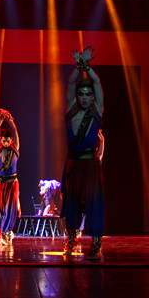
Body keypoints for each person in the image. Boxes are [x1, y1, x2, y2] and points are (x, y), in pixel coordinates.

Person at [62, 46, 105, 260]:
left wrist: (86, 66)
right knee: (71, 202)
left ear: (93, 98)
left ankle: (96, 243)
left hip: (90, 164)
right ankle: (71, 238)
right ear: (77, 96)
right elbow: (71, 83)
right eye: (81, 94)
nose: (85, 98)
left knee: (94, 202)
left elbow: (97, 82)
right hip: (73, 164)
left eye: (88, 95)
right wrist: (77, 67)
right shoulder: (71, 109)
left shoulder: (97, 110)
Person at [0, 109, 21, 246]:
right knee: (1, 210)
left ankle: (5, 232)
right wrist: (1, 120)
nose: (6, 142)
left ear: (11, 140)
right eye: (4, 140)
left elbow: (15, 131)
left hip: (12, 183)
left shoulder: (15, 149)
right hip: (0, 184)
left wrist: (10, 120)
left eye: (8, 141)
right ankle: (6, 231)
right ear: (1, 140)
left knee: (10, 210)